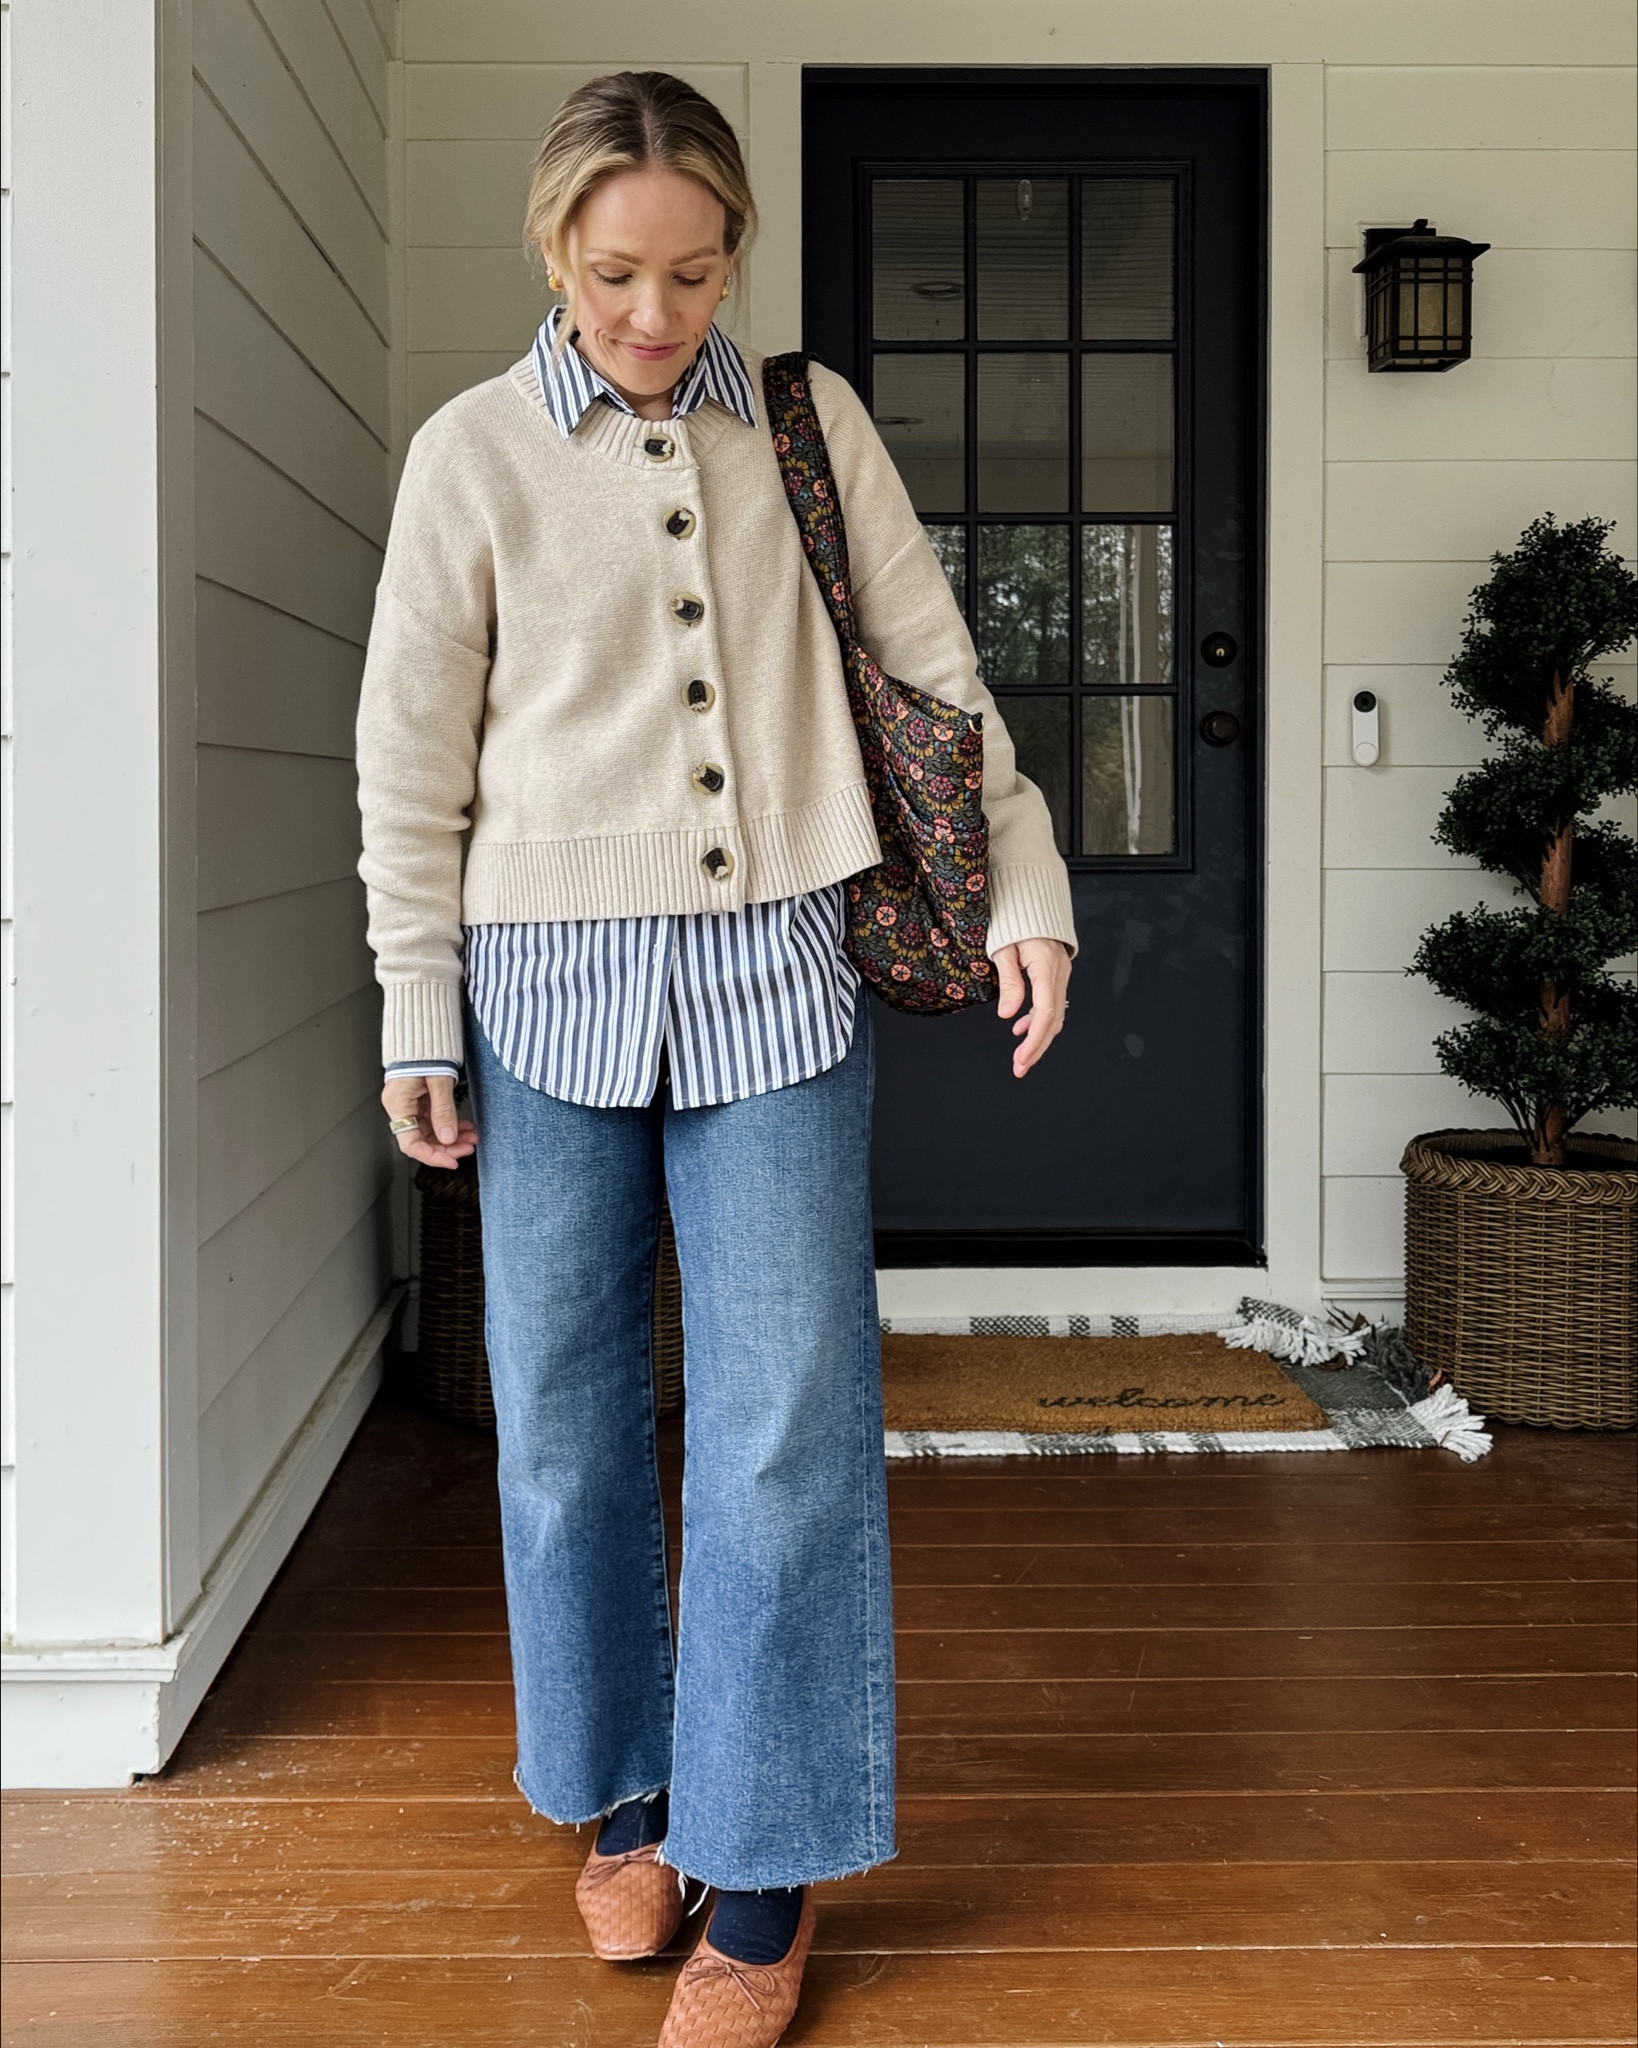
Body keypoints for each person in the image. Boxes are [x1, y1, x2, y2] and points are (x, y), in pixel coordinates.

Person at [356, 68, 1075, 2048]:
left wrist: (1028, 893)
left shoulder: (810, 427)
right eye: (613, 277)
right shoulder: (472, 455)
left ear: (734, 251)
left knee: (785, 1426)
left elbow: (934, 678)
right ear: (554, 253)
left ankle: (761, 1880)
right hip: (544, 986)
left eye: (689, 273)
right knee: (570, 1423)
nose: (653, 316)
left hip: (781, 974)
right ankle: (630, 1796)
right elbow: (408, 761)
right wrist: (419, 997)